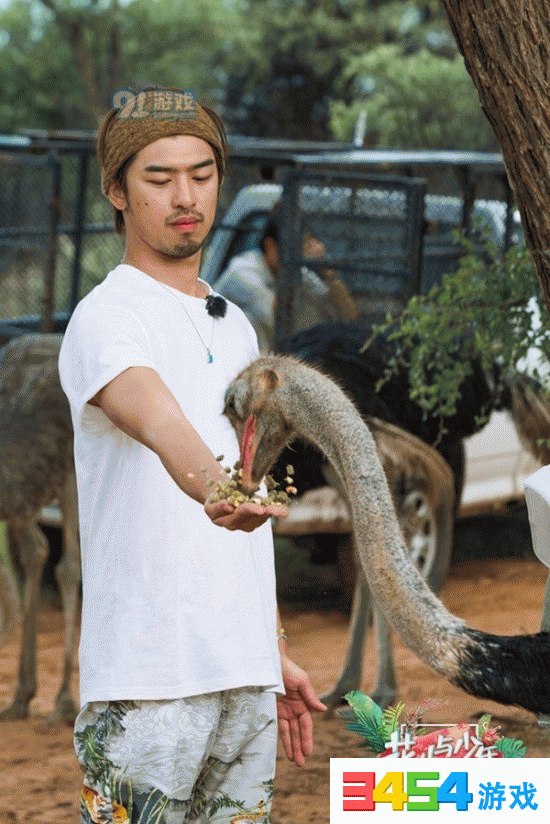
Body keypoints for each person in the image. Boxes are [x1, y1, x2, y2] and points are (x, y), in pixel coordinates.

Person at [58, 87, 325, 824]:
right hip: (149, 686)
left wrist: (271, 650)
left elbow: (250, 519)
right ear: (117, 190)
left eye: (202, 174)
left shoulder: (236, 323)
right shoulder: (107, 317)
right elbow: (156, 416)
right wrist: (220, 488)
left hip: (244, 682)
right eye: (159, 177)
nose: (186, 196)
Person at [215, 202, 357, 351]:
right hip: (220, 355)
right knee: (252, 320)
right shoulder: (243, 272)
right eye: (288, 250)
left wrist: (325, 271)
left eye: (297, 249)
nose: (292, 257)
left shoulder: (296, 271)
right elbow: (279, 322)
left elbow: (347, 315)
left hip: (265, 361)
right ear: (270, 246)